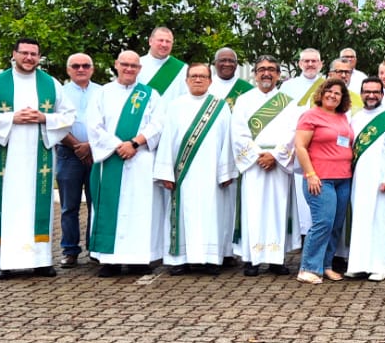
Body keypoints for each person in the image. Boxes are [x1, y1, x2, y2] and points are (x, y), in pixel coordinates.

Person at [0, 37, 74, 279]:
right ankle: (5, 262)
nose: (29, 58)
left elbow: (68, 115)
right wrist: (12, 118)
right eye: (24, 53)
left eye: (34, 54)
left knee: (37, 206)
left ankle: (41, 261)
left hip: (39, 155)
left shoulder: (51, 83)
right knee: (9, 206)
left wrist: (45, 119)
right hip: (8, 156)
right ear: (14, 54)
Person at [86, 50, 164, 277]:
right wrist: (118, 145)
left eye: (134, 66)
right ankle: (109, 260)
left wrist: (134, 143)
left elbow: (158, 124)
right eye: (125, 64)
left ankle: (139, 258)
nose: (129, 69)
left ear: (140, 69)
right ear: (116, 65)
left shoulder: (150, 95)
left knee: (140, 209)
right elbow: (94, 126)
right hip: (110, 159)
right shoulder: (102, 93)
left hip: (140, 160)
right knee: (110, 207)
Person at [156, 61, 236, 275]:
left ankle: (211, 259)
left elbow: (228, 141)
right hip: (182, 174)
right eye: (194, 76)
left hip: (212, 174)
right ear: (186, 80)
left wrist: (226, 171)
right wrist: (165, 172)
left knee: (212, 215)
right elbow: (166, 141)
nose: (198, 79)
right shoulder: (175, 106)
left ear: (210, 81)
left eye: (203, 76)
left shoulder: (220, 106)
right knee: (182, 214)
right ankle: (179, 260)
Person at [230, 56, 296, 276]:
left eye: (271, 69)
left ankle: (277, 259)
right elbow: (238, 133)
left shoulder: (289, 101)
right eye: (261, 70)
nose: (266, 73)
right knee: (253, 210)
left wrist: (275, 156)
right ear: (255, 74)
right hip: (254, 164)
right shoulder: (244, 101)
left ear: (278, 74)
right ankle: (252, 259)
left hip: (278, 163)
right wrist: (258, 156)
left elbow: (293, 132)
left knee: (279, 209)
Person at [344, 77, 385, 281]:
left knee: (382, 222)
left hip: (382, 180)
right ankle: (358, 264)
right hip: (359, 180)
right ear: (361, 94)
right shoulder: (355, 118)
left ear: (382, 94)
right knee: (360, 222)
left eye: (375, 92)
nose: (371, 95)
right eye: (367, 92)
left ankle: (380, 266)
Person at [293, 78, 355, 284]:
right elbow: (300, 146)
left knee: (336, 225)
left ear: (342, 98)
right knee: (322, 223)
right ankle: (308, 268)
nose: (332, 95)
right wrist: (310, 174)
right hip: (321, 178)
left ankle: (325, 265)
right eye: (329, 91)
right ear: (321, 93)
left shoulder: (343, 117)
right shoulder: (310, 116)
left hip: (343, 178)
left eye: (337, 93)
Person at [56, 53, 100, 268]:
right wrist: (77, 146)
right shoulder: (59, 93)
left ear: (92, 69)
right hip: (68, 154)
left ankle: (95, 248)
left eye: (85, 66)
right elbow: (55, 124)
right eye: (75, 66)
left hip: (97, 154)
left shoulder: (103, 92)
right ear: (68, 70)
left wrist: (90, 146)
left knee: (97, 204)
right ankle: (70, 250)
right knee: (69, 207)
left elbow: (109, 124)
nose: (81, 69)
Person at [139, 26, 186, 96]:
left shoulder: (183, 69)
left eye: (168, 41)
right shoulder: (136, 65)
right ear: (150, 41)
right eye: (160, 40)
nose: (164, 44)